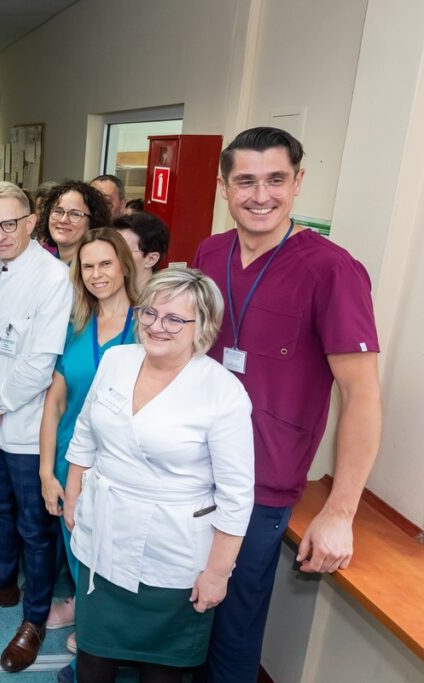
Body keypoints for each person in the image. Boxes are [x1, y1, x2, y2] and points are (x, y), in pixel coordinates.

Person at [192, 127, 381, 683]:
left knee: (233, 623)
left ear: (298, 183)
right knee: (188, 602)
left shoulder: (332, 269)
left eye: (276, 179)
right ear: (224, 187)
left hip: (261, 484)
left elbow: (363, 395)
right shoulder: (210, 251)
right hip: (193, 465)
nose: (260, 195)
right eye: (245, 181)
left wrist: (341, 511)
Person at [63, 268, 255, 682]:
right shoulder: (118, 360)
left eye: (174, 319)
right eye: (149, 313)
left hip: (173, 560)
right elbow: (84, 431)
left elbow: (237, 496)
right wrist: (74, 492)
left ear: (201, 326)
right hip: (103, 539)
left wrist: (218, 573)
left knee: (161, 673)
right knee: (93, 661)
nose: (156, 326)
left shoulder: (222, 392)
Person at [0, 181, 73, 673]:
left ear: (29, 223)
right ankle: (2, 584)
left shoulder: (53, 277)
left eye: (8, 224)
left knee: (35, 528)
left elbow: (41, 363)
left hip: (25, 429)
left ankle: (35, 616)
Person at [37, 228, 139, 675]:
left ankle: (105, 631)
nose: (97, 274)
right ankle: (85, 613)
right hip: (69, 459)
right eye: (88, 266)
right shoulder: (75, 327)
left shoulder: (148, 326)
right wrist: (46, 470)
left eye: (106, 264)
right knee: (77, 544)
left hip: (125, 467)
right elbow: (54, 403)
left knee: (115, 554)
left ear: (124, 266)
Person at [38, 180, 113, 265]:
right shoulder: (44, 262)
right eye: (58, 211)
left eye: (75, 214)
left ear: (93, 221)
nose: (63, 220)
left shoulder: (92, 269)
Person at [113, 211, 170, 292]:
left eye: (123, 250)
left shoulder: (164, 302)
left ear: (151, 259)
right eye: (112, 248)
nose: (112, 256)